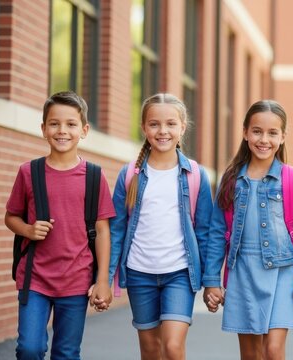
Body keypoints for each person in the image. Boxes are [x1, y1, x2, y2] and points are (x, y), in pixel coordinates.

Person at [203, 100, 293, 360]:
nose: (263, 139)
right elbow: (216, 233)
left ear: (282, 137)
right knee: (251, 354)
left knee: (273, 350)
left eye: (272, 133)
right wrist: (211, 280)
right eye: (257, 131)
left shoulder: (291, 178)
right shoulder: (231, 179)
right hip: (243, 271)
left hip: (282, 272)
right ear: (245, 133)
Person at [5, 91, 116, 360]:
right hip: (35, 278)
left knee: (66, 353)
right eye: (54, 124)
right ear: (43, 129)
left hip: (76, 279)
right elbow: (11, 217)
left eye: (70, 124)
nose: (62, 131)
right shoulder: (28, 172)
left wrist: (103, 281)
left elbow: (102, 230)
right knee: (29, 349)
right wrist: (28, 230)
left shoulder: (94, 176)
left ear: (84, 130)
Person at [109, 93, 213, 360]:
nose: (162, 131)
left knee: (173, 347)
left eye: (170, 124)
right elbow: (116, 229)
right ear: (144, 128)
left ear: (182, 127)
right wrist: (106, 277)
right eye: (154, 124)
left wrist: (210, 280)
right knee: (151, 350)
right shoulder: (130, 174)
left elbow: (205, 232)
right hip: (139, 273)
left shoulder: (195, 174)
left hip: (179, 272)